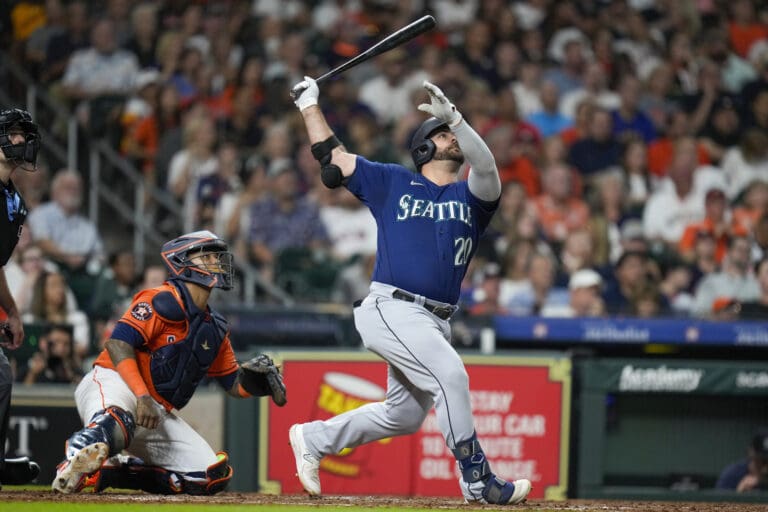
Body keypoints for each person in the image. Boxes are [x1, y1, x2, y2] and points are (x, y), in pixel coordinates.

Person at [287, 77, 531, 505]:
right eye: (442, 135)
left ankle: (313, 438)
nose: (453, 138)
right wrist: (309, 104)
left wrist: (454, 117)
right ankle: (477, 478)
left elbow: (488, 167)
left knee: (403, 415)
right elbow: (332, 159)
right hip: (391, 306)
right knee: (451, 375)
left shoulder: (472, 197)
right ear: (423, 148)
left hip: (436, 320)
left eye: (453, 132)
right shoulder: (393, 181)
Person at [51, 230, 287, 495]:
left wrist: (258, 382)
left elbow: (233, 383)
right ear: (181, 261)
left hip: (154, 412)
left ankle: (109, 472)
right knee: (115, 420)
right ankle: (71, 466)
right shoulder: (159, 299)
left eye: (217, 256)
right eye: (206, 256)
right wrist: (141, 396)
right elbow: (117, 344)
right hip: (114, 382)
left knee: (208, 477)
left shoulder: (215, 327)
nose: (216, 262)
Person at [0, 108, 42, 488]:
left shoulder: (13, 201)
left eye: (24, 136)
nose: (21, 142)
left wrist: (12, 310)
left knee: (1, 377)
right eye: (14, 134)